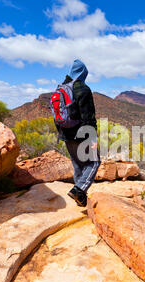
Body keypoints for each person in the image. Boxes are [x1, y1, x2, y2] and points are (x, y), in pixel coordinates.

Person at [56, 59, 101, 207]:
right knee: (94, 162)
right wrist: (92, 138)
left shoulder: (61, 88)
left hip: (66, 134)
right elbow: (88, 116)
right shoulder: (82, 88)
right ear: (82, 73)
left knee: (78, 165)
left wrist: (62, 133)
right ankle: (79, 190)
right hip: (81, 134)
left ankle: (80, 199)